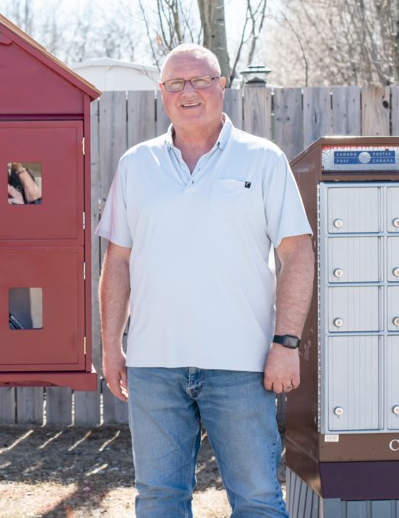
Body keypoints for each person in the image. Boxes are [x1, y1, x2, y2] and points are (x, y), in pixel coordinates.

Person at [96, 43, 315, 517]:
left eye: (200, 80)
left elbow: (297, 254)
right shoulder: (136, 165)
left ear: (221, 87)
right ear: (162, 92)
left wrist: (287, 342)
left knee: (257, 498)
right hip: (154, 366)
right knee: (158, 500)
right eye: (176, 83)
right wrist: (112, 345)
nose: (188, 91)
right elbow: (117, 261)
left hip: (243, 365)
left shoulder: (263, 159)